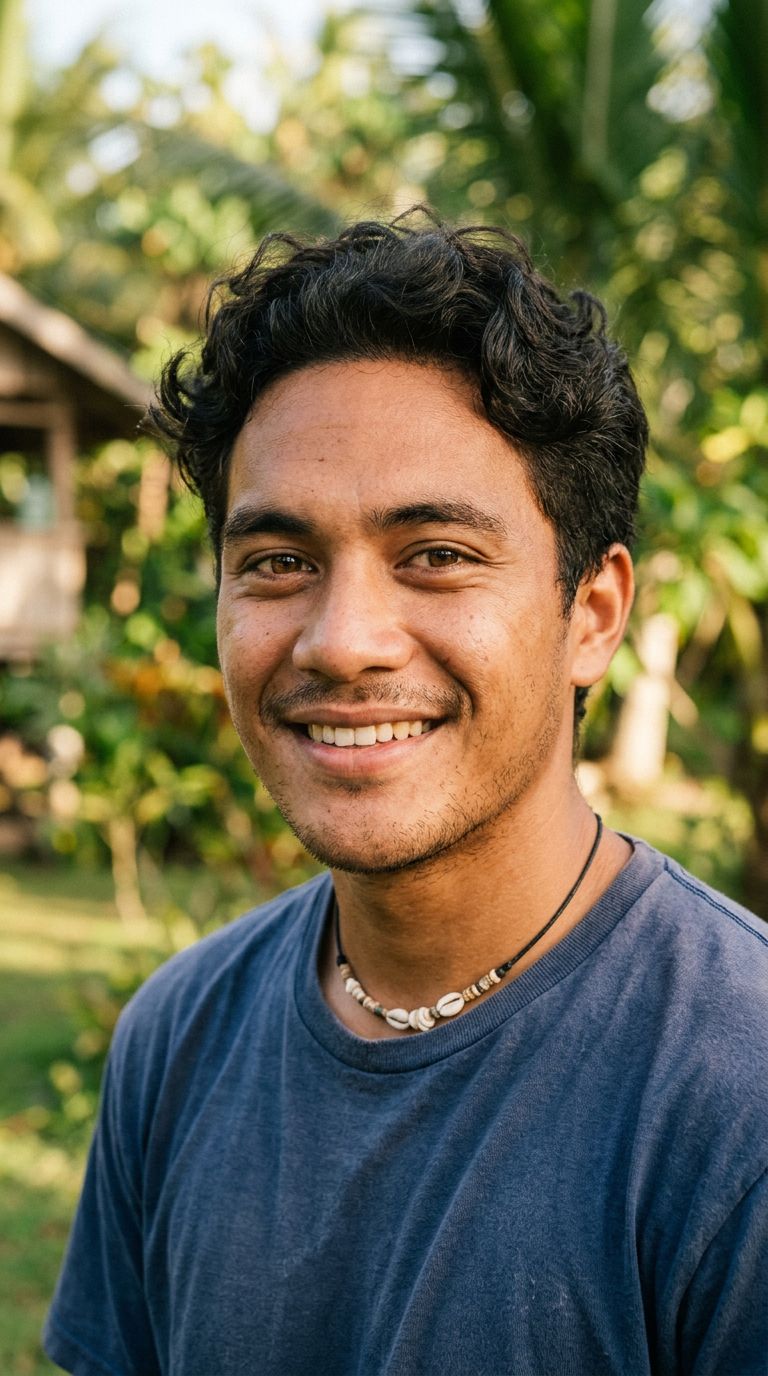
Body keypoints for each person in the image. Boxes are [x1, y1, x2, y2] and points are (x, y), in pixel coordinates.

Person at [44, 215, 768, 1376]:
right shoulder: (177, 1037)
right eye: (277, 561)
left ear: (593, 614)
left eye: (435, 552)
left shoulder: (736, 1102)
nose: (342, 642)